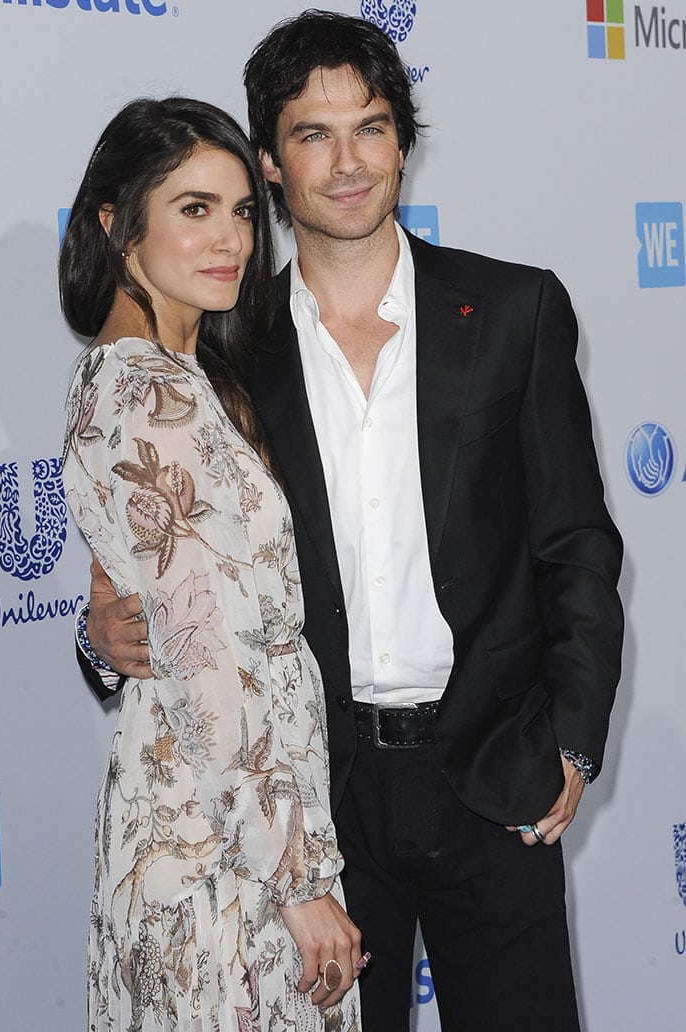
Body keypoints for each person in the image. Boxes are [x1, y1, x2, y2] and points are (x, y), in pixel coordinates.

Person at [75, 13, 624, 1032]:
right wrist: (97, 635)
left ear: (401, 143)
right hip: (316, 800)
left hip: (490, 775)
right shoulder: (220, 356)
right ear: (271, 165)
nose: (346, 163)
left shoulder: (515, 312)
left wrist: (573, 740)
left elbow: (576, 545)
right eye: (311, 135)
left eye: (369, 128)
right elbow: (175, 568)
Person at [60, 95, 364, 1032]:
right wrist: (299, 881)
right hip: (226, 848)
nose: (230, 236)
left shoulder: (154, 377)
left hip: (199, 818)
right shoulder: (155, 397)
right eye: (193, 208)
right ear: (117, 224)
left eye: (240, 209)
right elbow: (212, 661)